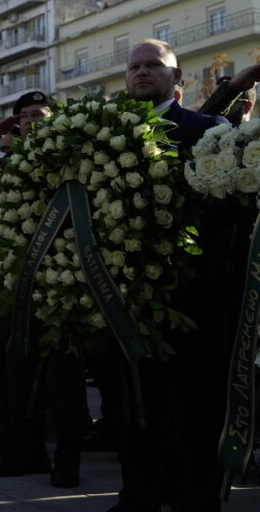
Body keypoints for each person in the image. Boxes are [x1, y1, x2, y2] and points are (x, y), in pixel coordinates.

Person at [109, 39, 229, 512]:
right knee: (134, 404)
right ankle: (138, 495)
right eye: (134, 67)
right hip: (124, 294)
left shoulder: (206, 129)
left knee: (196, 406)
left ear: (177, 78)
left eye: (153, 65)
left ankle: (196, 498)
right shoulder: (102, 133)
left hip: (190, 293)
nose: (141, 72)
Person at [0, 92, 92, 488]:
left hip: (62, 282)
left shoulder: (73, 159)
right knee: (16, 372)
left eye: (39, 114)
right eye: (24, 117)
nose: (30, 121)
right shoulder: (1, 167)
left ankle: (68, 457)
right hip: (14, 285)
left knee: (64, 376)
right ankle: (28, 450)